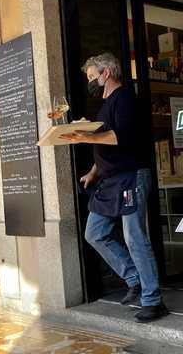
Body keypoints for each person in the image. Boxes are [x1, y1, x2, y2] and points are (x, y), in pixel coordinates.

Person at [61, 52, 169, 323]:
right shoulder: (105, 105)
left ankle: (153, 300)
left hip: (130, 177)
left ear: (105, 73)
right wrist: (93, 172)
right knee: (94, 232)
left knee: (135, 238)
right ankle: (134, 278)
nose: (90, 83)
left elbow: (119, 137)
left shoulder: (125, 99)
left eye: (91, 77)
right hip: (109, 181)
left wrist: (85, 136)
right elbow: (105, 144)